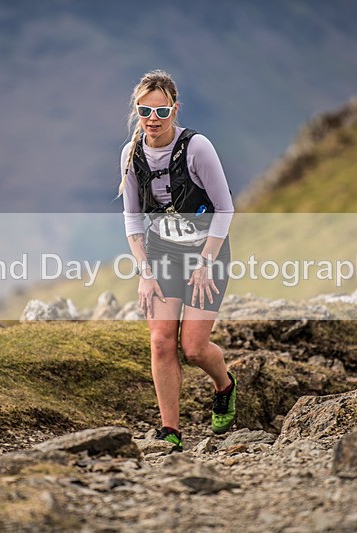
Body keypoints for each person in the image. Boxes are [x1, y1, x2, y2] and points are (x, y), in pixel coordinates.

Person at [118, 69, 236, 451]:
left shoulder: (197, 147)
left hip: (208, 250)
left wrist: (204, 262)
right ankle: (170, 432)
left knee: (195, 349)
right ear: (137, 111)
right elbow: (133, 219)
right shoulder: (131, 153)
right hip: (162, 252)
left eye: (161, 111)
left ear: (175, 109)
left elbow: (225, 208)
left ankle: (225, 385)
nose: (153, 119)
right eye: (145, 111)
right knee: (160, 342)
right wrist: (144, 272)